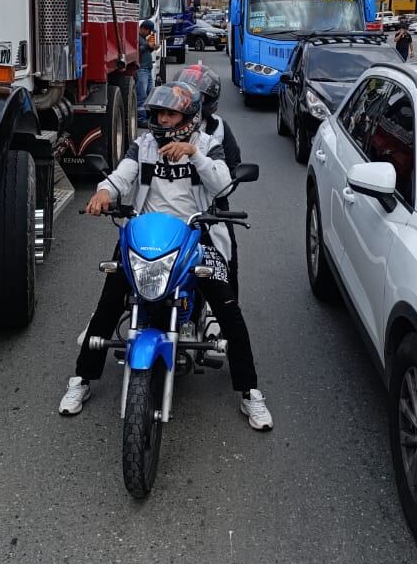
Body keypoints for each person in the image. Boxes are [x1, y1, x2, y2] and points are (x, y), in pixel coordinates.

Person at [58, 83, 272, 431]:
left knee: (228, 309)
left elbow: (222, 186)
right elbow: (120, 177)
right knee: (109, 301)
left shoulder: (208, 146)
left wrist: (194, 155)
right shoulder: (142, 146)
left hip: (195, 235)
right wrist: (102, 193)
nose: (161, 120)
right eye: (158, 113)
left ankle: (250, 391)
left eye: (169, 114)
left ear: (188, 119)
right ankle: (81, 379)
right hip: (145, 235)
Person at [176, 61, 243, 297]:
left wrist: (212, 185)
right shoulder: (159, 129)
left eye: (196, 97)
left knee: (227, 267)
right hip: (172, 211)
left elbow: (232, 171)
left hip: (210, 210)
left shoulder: (220, 130)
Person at [136, 20, 158, 124]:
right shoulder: (136, 38)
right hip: (142, 70)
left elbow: (144, 51)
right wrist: (147, 46)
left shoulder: (143, 38)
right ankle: (140, 119)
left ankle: (149, 116)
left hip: (147, 69)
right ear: (144, 28)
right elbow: (137, 51)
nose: (150, 34)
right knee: (142, 95)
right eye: (149, 31)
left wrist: (152, 48)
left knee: (150, 93)